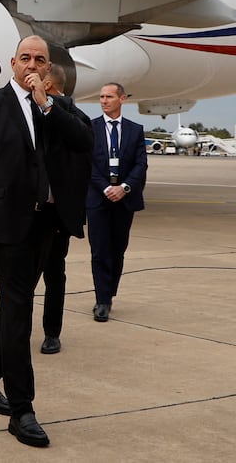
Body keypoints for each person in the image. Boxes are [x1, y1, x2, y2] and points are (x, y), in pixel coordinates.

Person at [0, 35, 92, 448]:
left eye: (41, 60)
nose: (32, 64)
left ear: (48, 69)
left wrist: (46, 103)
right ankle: (23, 409)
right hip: (6, 223)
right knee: (19, 307)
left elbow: (85, 142)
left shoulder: (58, 106)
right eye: (26, 58)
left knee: (12, 304)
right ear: (13, 63)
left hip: (47, 223)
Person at [38, 64, 92, 353]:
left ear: (48, 87)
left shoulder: (73, 115)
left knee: (54, 274)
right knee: (17, 274)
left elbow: (83, 144)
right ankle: (8, 327)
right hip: (29, 208)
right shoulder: (28, 113)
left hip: (56, 213)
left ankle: (51, 332)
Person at [87, 82, 147, 323]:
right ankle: (102, 300)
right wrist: (105, 187)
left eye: (109, 97)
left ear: (122, 99)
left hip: (124, 199)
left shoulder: (135, 130)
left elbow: (141, 165)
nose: (103, 101)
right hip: (98, 199)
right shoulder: (90, 128)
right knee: (100, 250)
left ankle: (109, 292)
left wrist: (124, 187)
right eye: (101, 96)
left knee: (117, 249)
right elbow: (88, 165)